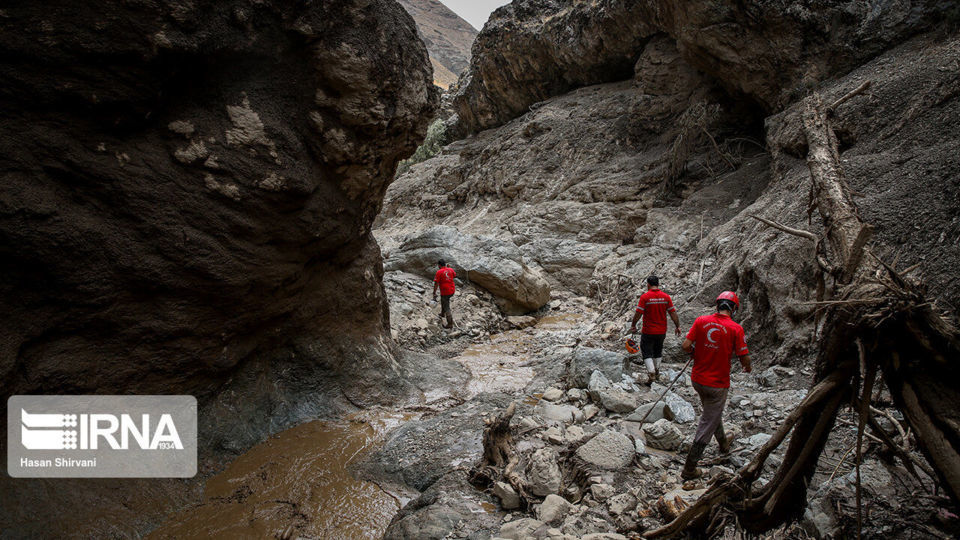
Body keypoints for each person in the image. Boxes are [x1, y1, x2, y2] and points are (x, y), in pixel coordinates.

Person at [679, 291, 752, 480]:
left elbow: (686, 345)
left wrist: (695, 352)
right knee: (707, 421)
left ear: (717, 305)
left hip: (697, 380)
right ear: (734, 309)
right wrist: (747, 367)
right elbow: (744, 356)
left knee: (712, 412)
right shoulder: (736, 329)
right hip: (717, 384)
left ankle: (723, 444)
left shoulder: (701, 321)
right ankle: (689, 468)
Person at [629, 276, 682, 385]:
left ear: (648, 284)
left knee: (646, 351)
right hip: (661, 331)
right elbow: (673, 313)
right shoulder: (666, 297)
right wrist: (677, 326)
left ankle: (651, 372)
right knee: (658, 350)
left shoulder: (645, 297)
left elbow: (639, 313)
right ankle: (657, 370)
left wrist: (633, 324)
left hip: (648, 331)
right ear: (658, 284)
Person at [432, 260, 456, 329]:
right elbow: (454, 275)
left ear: (439, 265)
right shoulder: (450, 269)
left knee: (447, 306)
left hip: (445, 291)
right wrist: (449, 268)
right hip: (452, 290)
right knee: (443, 300)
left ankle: (450, 323)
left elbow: (436, 283)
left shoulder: (439, 272)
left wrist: (434, 292)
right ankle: (442, 313)